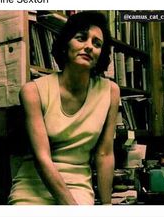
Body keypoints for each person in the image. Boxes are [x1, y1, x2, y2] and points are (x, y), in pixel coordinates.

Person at [8, 11, 120, 205]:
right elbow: (42, 159)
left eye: (96, 43)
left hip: (78, 185)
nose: (88, 47)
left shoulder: (110, 91)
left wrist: (107, 205)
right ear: (66, 44)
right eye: (81, 38)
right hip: (33, 184)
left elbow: (104, 154)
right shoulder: (33, 92)